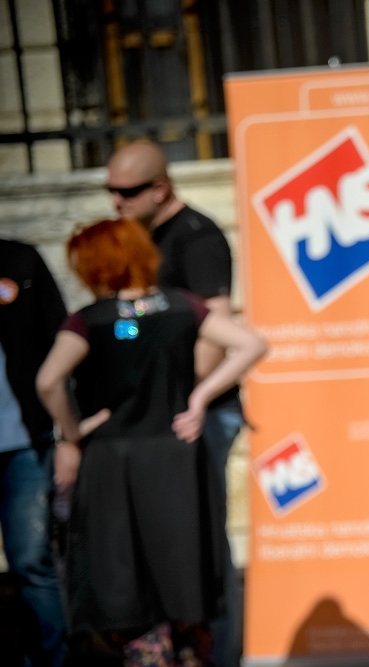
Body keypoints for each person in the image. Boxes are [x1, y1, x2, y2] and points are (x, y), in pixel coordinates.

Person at [35, 218, 267, 665]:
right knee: (183, 568)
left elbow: (48, 381)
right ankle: (188, 652)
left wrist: (71, 431)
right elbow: (252, 344)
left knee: (121, 570)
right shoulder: (182, 306)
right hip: (176, 457)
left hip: (110, 461)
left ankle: (147, 654)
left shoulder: (90, 320)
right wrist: (200, 398)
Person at [106, 140, 245, 666]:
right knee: (172, 539)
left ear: (160, 188)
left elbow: (215, 333)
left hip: (198, 413)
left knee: (204, 539)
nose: (116, 201)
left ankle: (220, 656)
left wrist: (185, 400)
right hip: (164, 414)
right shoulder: (140, 234)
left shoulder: (197, 237)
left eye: (127, 191)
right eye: (110, 190)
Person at [0, 239, 68, 666]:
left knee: (31, 562)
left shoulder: (19, 261)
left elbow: (60, 338)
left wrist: (69, 435)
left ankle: (51, 660)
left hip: (24, 442)